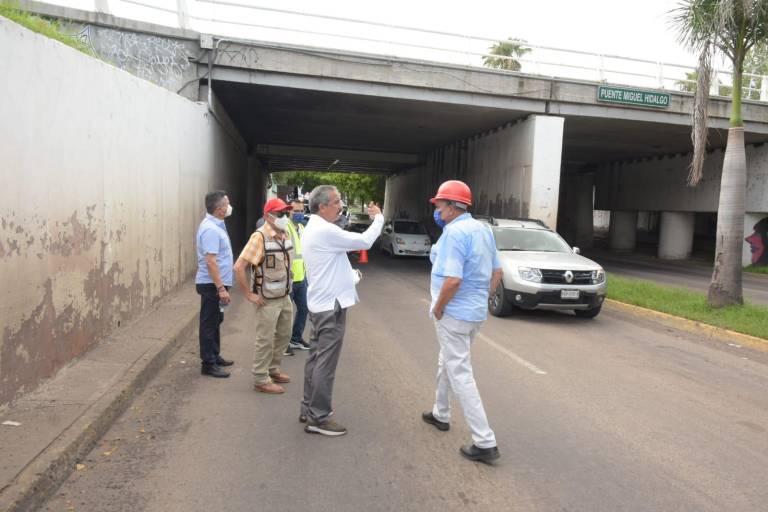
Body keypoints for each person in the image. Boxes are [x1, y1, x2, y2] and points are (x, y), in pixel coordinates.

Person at [421, 180, 503, 463]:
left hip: (453, 313)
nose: (437, 210)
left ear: (453, 207)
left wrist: (439, 307)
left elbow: (453, 279)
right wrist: (481, 298)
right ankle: (440, 413)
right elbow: (497, 272)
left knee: (460, 372)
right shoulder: (483, 229)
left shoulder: (454, 234)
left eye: (440, 205)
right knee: (448, 360)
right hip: (474, 313)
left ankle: (484, 441)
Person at [300, 185, 383, 436]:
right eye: (336, 202)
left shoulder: (314, 227)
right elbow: (365, 241)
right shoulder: (325, 230)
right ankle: (319, 417)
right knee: (325, 363)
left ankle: (308, 408)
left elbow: (333, 263)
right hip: (330, 306)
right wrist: (378, 217)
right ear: (322, 206)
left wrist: (349, 276)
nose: (340, 206)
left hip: (321, 302)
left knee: (315, 358)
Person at [233, 198, 295, 394]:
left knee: (284, 335)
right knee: (265, 339)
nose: (284, 217)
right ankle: (261, 378)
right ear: (268, 216)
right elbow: (239, 267)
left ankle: (273, 369)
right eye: (280, 213)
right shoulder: (259, 237)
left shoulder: (285, 233)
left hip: (284, 295)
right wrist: (249, 294)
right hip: (267, 299)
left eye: (286, 213)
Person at [195, 190, 235, 378]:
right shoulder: (210, 229)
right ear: (220, 209)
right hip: (212, 285)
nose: (229, 206)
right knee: (209, 323)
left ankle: (215, 355)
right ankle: (208, 364)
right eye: (227, 204)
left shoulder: (217, 224)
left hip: (217, 284)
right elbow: (211, 261)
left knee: (216, 320)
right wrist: (220, 288)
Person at [287, 199, 311, 353]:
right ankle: (283, 344)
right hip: (288, 278)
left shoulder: (302, 227)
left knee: (304, 308)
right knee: (285, 314)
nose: (299, 213)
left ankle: (295, 339)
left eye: (301, 210)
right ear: (289, 211)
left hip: (301, 278)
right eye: (296, 211)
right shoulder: (284, 227)